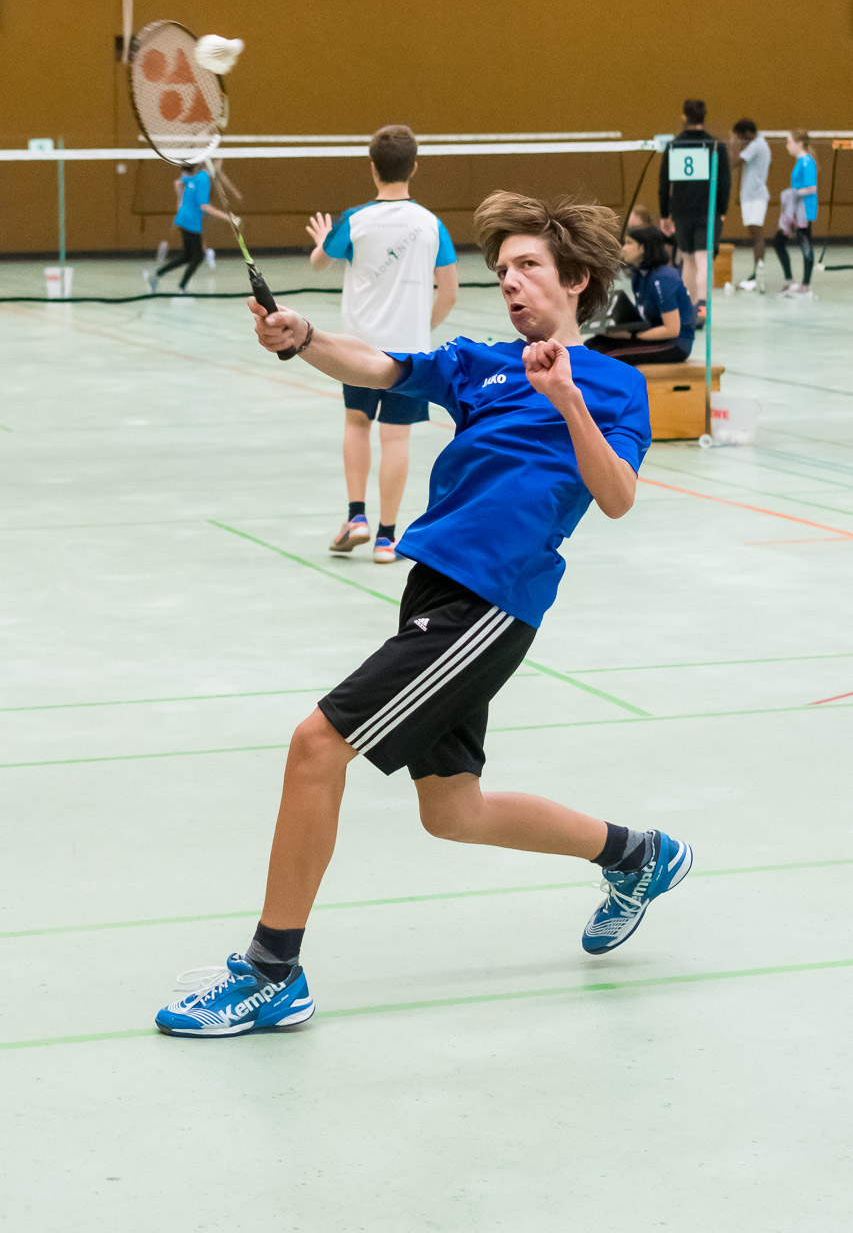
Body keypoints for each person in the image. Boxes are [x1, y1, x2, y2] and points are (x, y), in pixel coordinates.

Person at [154, 190, 693, 1039]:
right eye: (502, 268)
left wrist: (566, 400)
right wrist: (305, 336)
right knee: (453, 811)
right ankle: (637, 854)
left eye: (527, 266)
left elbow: (617, 496)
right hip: (434, 587)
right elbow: (382, 367)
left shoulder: (614, 385)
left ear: (575, 280)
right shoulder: (479, 360)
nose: (508, 281)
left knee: (316, 744)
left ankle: (271, 973)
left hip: (490, 601)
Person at [306, 125, 458, 564]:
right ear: (414, 167)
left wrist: (322, 243)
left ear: (373, 169)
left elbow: (319, 264)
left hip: (359, 350)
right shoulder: (431, 225)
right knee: (396, 439)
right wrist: (418, 330)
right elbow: (449, 292)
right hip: (409, 354)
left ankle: (356, 517)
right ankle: (387, 540)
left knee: (357, 423)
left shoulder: (355, 219)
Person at [658, 99, 730, 325]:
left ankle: (687, 311)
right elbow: (725, 182)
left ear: (684, 117)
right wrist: (722, 210)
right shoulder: (715, 146)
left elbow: (664, 183)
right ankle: (702, 309)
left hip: (681, 212)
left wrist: (664, 213)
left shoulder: (674, 146)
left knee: (688, 261)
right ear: (704, 116)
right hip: (707, 212)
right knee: (703, 260)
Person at [586, 226, 695, 364]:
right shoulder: (639, 275)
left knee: (608, 356)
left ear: (643, 248)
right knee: (592, 345)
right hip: (651, 336)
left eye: (629, 243)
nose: (623, 248)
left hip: (674, 344)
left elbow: (672, 330)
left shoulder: (664, 278)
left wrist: (631, 336)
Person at [144, 163, 232, 294]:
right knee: (198, 256)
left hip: (185, 219)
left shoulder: (194, 177)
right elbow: (204, 206)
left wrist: (182, 192)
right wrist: (228, 217)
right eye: (217, 163)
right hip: (190, 222)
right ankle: (181, 286)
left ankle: (158, 276)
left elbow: (178, 182)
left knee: (187, 256)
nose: (219, 165)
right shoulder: (203, 178)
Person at [772, 130, 818, 299]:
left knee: (805, 245)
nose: (787, 146)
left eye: (789, 142)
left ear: (799, 143)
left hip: (804, 211)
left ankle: (805, 286)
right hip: (794, 212)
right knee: (778, 242)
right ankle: (789, 280)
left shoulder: (807, 162)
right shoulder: (800, 162)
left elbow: (812, 188)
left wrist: (794, 193)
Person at [729, 119, 771, 292]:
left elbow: (733, 162)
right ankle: (756, 274)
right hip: (750, 196)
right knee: (755, 235)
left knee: (757, 235)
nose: (740, 139)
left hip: (756, 197)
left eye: (740, 136)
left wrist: (733, 145)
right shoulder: (757, 144)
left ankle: (757, 275)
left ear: (746, 133)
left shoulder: (757, 145)